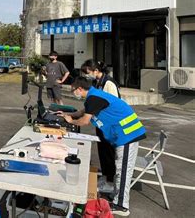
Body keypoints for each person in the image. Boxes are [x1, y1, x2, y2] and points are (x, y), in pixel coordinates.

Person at [59, 77, 146, 216]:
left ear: (80, 89)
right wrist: (69, 115)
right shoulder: (94, 96)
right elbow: (83, 111)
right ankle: (117, 197)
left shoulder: (94, 98)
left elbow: (85, 120)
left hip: (129, 135)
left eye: (73, 90)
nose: (73, 93)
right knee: (119, 168)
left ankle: (122, 206)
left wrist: (71, 120)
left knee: (123, 170)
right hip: (122, 135)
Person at [81, 60, 120, 193]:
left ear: (96, 71)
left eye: (88, 72)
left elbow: (113, 104)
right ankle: (105, 176)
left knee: (108, 152)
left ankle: (110, 181)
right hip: (101, 123)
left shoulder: (109, 83)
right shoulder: (98, 83)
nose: (87, 76)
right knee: (102, 152)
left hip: (110, 125)